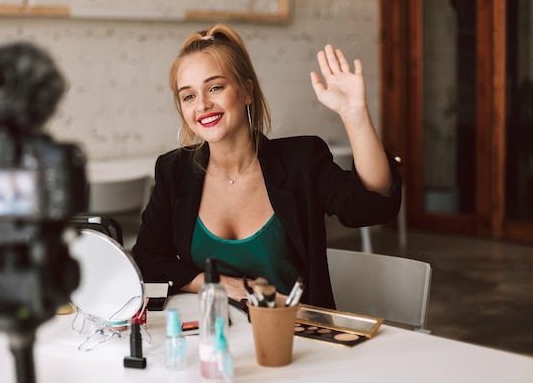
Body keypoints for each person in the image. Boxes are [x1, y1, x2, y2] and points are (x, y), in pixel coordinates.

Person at [132, 23, 401, 309]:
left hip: (297, 340)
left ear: (247, 91)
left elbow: (372, 206)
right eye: (189, 96)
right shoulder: (174, 170)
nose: (203, 105)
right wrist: (221, 284)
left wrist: (354, 114)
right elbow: (147, 260)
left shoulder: (302, 160)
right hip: (211, 337)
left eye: (215, 87)